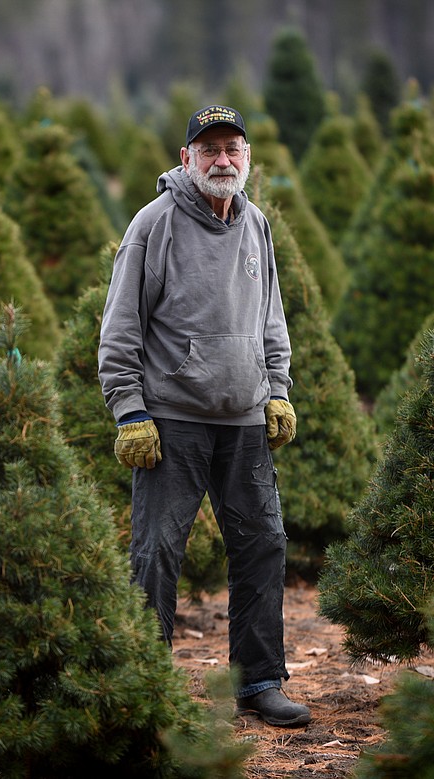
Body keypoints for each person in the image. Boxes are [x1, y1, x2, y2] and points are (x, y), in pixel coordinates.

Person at [97, 105, 310, 728]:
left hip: (243, 418)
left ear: (248, 159)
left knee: (263, 544)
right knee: (158, 551)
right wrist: (129, 410)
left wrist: (277, 389)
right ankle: (146, 683)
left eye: (233, 149)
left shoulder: (257, 226)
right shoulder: (153, 224)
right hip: (172, 419)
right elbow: (121, 326)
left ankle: (260, 681)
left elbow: (272, 316)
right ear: (187, 158)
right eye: (210, 148)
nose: (223, 160)